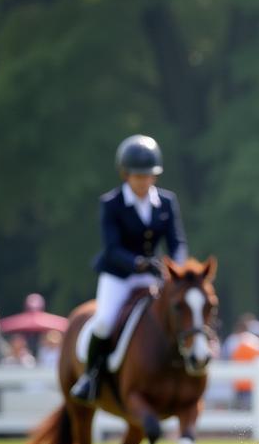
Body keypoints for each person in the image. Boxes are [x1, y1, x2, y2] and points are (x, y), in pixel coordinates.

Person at [69, 135, 187, 403]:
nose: (144, 182)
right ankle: (90, 376)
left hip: (153, 275)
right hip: (118, 275)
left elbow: (177, 241)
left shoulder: (167, 202)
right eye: (138, 177)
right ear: (125, 175)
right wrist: (137, 263)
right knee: (104, 321)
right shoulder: (111, 204)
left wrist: (179, 268)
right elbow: (111, 248)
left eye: (149, 176)